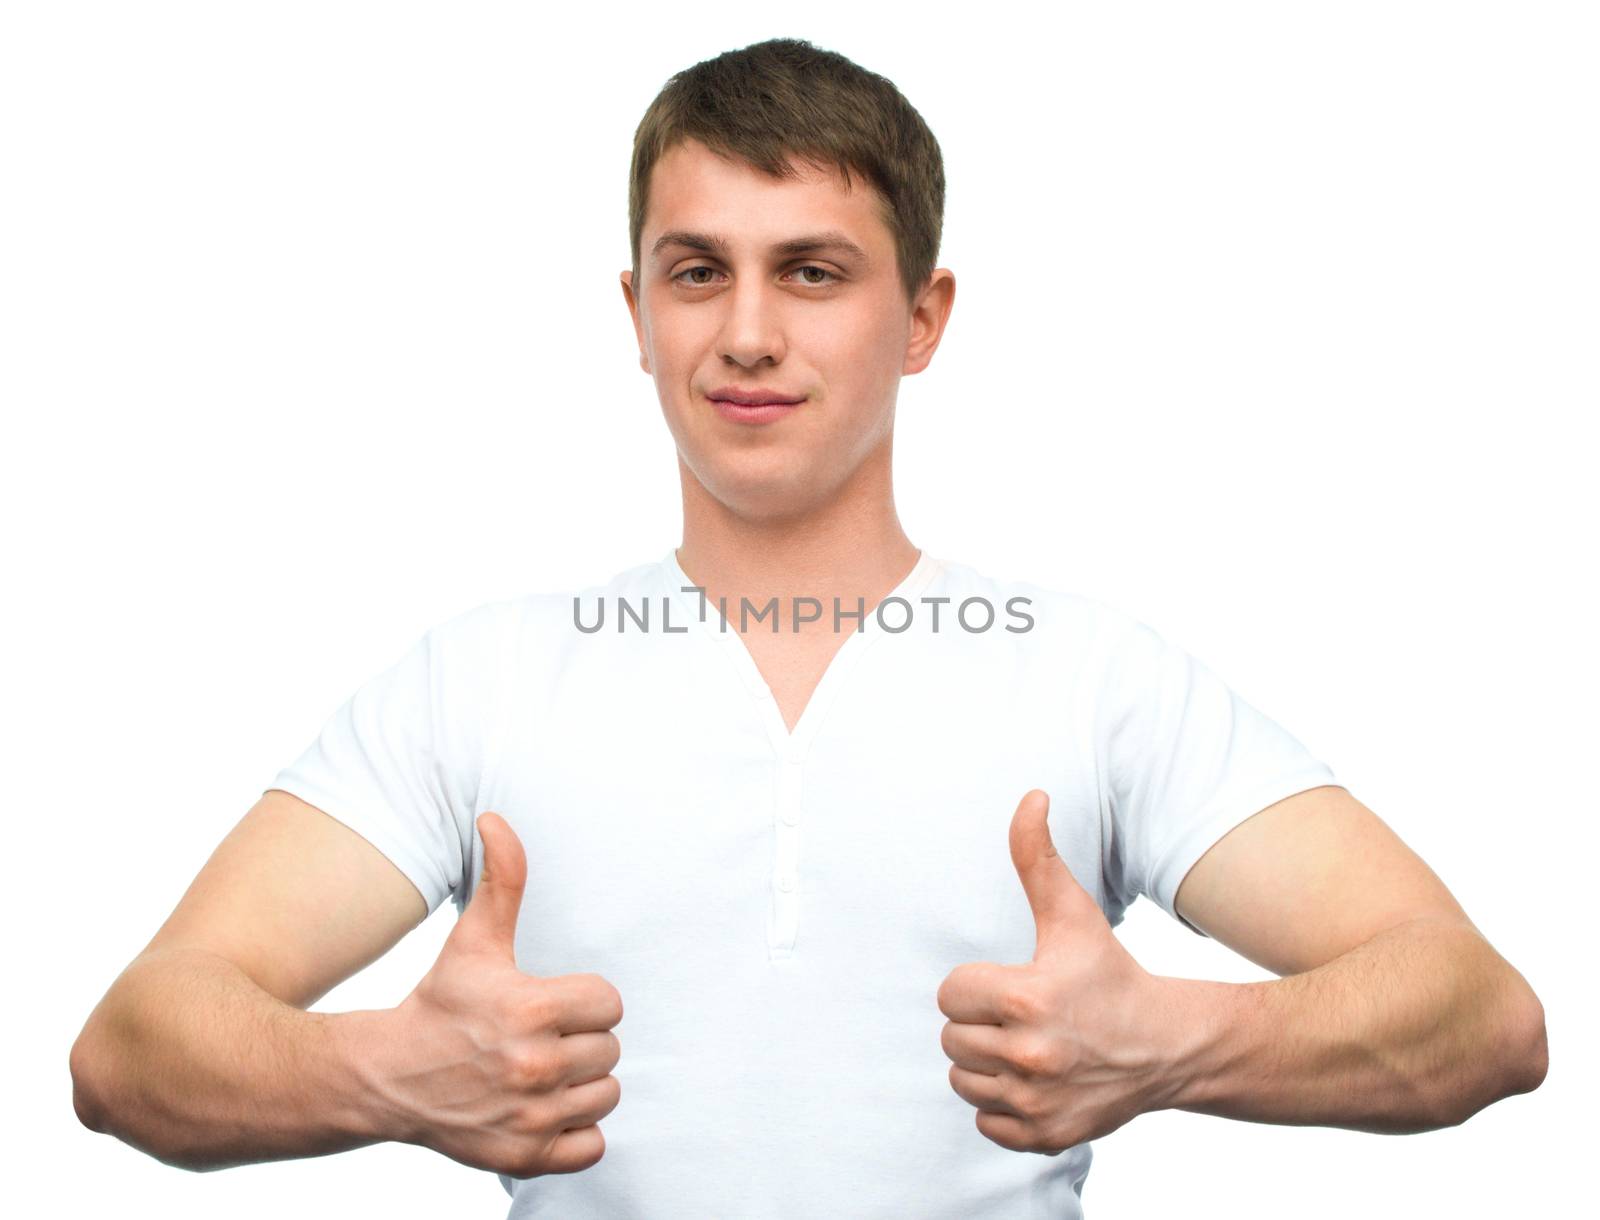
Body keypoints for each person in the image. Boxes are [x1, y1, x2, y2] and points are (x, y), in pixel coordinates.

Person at [68, 36, 1547, 1219]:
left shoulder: (1089, 677)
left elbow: (1479, 1014)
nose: (749, 332)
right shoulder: (483, 681)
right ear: (637, 309)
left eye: (814, 271)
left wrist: (1178, 1046)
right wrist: (376, 1076)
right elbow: (132, 1051)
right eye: (698, 269)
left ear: (923, 316)